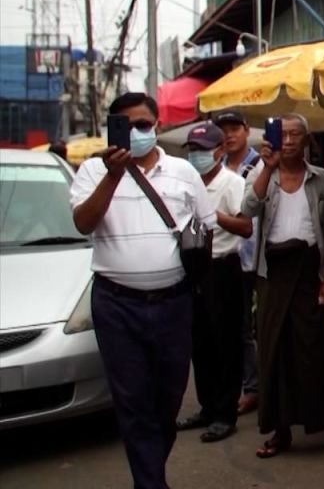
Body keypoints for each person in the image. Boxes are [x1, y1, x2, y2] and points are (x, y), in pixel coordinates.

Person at [69, 92, 216, 489]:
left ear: (158, 127)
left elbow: (205, 230)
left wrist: (197, 284)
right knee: (133, 404)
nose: (136, 133)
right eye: (126, 125)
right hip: (117, 305)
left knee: (167, 401)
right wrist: (113, 175)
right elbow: (84, 223)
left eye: (143, 125)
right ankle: (151, 484)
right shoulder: (91, 171)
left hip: (173, 303)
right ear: (111, 130)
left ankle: (149, 477)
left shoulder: (184, 172)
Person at [241, 113, 324, 460]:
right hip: (272, 273)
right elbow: (247, 209)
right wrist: (267, 169)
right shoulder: (262, 175)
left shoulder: (322, 180)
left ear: (306, 141)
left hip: (309, 271)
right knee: (274, 352)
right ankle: (280, 430)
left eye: (294, 136)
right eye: (282, 135)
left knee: (317, 350)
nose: (287, 141)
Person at [175, 122, 253, 443]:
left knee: (227, 344)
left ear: (219, 151)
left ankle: (225, 413)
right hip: (192, 268)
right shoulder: (184, 184)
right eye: (192, 151)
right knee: (200, 343)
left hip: (224, 268)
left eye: (203, 150)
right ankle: (207, 407)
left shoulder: (232, 183)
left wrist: (212, 214)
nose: (197, 156)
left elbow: (246, 227)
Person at [213, 109, 263, 416]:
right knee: (233, 327)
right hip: (225, 259)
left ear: (247, 130)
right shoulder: (216, 166)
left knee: (251, 327)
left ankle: (255, 388)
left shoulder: (260, 166)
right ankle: (245, 384)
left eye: (235, 128)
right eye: (224, 130)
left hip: (254, 258)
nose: (229, 135)